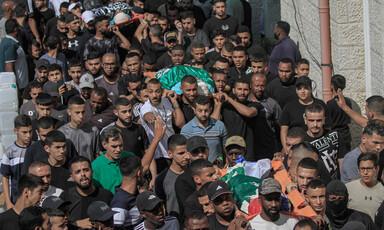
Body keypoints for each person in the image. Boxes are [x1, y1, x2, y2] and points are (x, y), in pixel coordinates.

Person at [140, 79, 185, 172]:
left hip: (172, 151)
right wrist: (151, 118)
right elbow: (147, 115)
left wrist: (174, 102)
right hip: (158, 155)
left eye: (157, 91)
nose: (154, 95)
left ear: (162, 91)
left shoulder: (167, 102)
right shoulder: (146, 107)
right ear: (147, 92)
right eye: (151, 92)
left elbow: (180, 123)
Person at [280, 76, 331, 154]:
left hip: (318, 146)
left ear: (311, 89)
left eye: (306, 88)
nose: (302, 91)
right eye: (299, 88)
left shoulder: (320, 104)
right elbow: (284, 130)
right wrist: (286, 149)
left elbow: (327, 127)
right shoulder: (289, 106)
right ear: (296, 90)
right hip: (296, 147)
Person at [60, 156, 113, 229]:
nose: (83, 174)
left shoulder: (106, 195)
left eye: (86, 170)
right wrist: (76, 223)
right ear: (72, 177)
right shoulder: (65, 197)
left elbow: (114, 222)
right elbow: (58, 224)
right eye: (77, 172)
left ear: (92, 172)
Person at [214, 78, 257, 158]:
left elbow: (249, 113)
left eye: (245, 90)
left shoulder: (253, 105)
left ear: (250, 91)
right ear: (233, 91)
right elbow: (214, 122)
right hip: (228, 152)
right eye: (239, 89)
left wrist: (229, 99)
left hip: (247, 153)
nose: (242, 93)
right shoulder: (225, 107)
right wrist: (220, 102)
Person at [304, 103, 347, 180]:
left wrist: (344, 183)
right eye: (311, 120)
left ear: (324, 120)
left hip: (334, 184)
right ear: (305, 120)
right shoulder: (302, 142)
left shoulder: (335, 136)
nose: (315, 124)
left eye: (319, 120)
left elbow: (342, 163)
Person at [181, 95, 228, 162]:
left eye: (206, 110)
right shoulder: (186, 130)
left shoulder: (220, 125)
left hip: (218, 170)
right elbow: (184, 153)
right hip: (196, 170)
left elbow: (225, 148)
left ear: (211, 109)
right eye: (200, 111)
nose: (203, 114)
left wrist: (223, 161)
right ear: (194, 110)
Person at [154, 134, 190, 218]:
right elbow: (159, 205)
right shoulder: (161, 179)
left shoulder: (195, 172)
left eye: (187, 152)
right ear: (170, 154)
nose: (186, 157)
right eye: (181, 153)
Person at [1, 114, 32, 208]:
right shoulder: (9, 153)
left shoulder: (36, 148)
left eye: (30, 132)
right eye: (24, 132)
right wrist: (8, 201)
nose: (28, 135)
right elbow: (5, 177)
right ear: (16, 131)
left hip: (34, 198)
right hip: (16, 199)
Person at [92, 126, 135, 193]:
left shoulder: (130, 157)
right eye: (114, 146)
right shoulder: (95, 166)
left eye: (121, 145)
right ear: (104, 144)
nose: (118, 150)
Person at [248, 73, 281, 161]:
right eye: (257, 86)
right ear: (251, 85)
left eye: (262, 86)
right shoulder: (244, 103)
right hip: (249, 150)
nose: (259, 89)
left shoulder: (272, 103)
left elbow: (282, 126)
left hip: (268, 149)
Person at [174, 136, 211, 215]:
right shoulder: (183, 180)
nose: (200, 154)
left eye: (203, 151)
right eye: (195, 152)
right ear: (188, 154)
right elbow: (191, 208)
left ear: (208, 150)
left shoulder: (215, 171)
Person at [58, 96, 100, 161]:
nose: (81, 116)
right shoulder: (61, 132)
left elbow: (97, 154)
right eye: (77, 112)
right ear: (69, 112)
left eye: (83, 112)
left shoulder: (93, 130)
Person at [346, 153, 384, 220]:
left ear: (377, 169)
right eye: (362, 169)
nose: (365, 172)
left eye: (369, 169)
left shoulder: (382, 190)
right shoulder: (348, 188)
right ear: (358, 170)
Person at [0, 19, 29, 92]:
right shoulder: (10, 44)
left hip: (21, 84)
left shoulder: (10, 42)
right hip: (19, 85)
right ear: (15, 29)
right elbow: (9, 66)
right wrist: (14, 87)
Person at [326, 74, 352, 151]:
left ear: (332, 86)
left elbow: (327, 122)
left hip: (334, 136)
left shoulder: (330, 103)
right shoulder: (348, 101)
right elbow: (350, 120)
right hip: (346, 135)